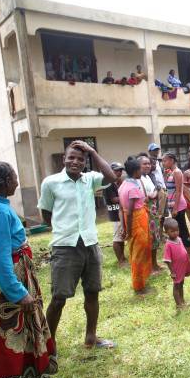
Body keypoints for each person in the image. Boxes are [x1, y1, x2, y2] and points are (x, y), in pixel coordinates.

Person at [38, 140, 117, 349]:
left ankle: (91, 337)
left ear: (85, 162)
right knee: (58, 298)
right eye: (71, 157)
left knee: (92, 293)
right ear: (64, 159)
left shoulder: (90, 180)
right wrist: (63, 230)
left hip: (90, 244)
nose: (75, 162)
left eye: (81, 159)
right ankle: (48, 344)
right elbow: (46, 213)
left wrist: (92, 151)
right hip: (65, 247)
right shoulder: (51, 183)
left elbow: (111, 176)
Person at [0, 161, 57, 378]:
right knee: (8, 333)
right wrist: (18, 293)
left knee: (21, 329)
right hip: (7, 284)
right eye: (15, 177)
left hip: (8, 280)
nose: (17, 181)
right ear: (6, 182)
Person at [119, 157, 152, 294]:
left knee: (135, 251)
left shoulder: (123, 185)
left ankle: (141, 280)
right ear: (135, 171)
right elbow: (131, 212)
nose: (142, 171)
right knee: (139, 253)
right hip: (137, 221)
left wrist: (124, 227)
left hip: (132, 220)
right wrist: (128, 230)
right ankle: (139, 286)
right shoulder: (132, 188)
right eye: (140, 169)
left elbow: (122, 209)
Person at [162, 153, 190, 255]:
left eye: (164, 161)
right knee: (177, 229)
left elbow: (179, 191)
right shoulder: (170, 172)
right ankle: (181, 251)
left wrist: (175, 208)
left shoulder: (177, 172)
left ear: (171, 160)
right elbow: (169, 189)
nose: (163, 163)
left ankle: (189, 253)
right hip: (173, 205)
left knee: (182, 229)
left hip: (178, 205)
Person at [138, 155, 163, 272]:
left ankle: (154, 264)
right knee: (148, 238)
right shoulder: (138, 179)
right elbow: (146, 197)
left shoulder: (147, 177)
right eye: (145, 164)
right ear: (138, 165)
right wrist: (154, 194)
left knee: (155, 238)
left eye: (149, 163)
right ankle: (149, 266)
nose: (148, 166)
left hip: (153, 211)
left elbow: (154, 194)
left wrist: (154, 194)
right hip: (145, 211)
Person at [162, 218, 190, 309]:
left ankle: (182, 300)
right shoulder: (168, 244)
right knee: (176, 286)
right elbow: (167, 260)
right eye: (172, 231)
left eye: (177, 230)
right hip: (176, 269)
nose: (175, 233)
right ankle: (179, 305)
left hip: (182, 267)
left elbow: (183, 251)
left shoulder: (179, 239)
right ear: (166, 232)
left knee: (181, 284)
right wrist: (172, 271)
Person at [103, 162, 127, 267]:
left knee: (121, 236)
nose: (119, 172)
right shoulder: (109, 184)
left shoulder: (117, 182)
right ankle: (120, 261)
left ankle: (123, 257)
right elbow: (114, 199)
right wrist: (127, 197)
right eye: (117, 170)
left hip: (120, 213)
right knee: (117, 238)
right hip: (115, 213)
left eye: (121, 170)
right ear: (111, 171)